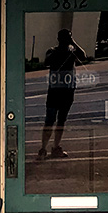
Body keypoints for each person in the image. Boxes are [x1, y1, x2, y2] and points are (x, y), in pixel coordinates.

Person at [38, 29, 88, 158]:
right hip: (55, 90)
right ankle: (43, 148)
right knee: (50, 119)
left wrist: (72, 43)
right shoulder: (53, 51)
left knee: (61, 120)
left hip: (67, 90)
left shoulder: (71, 52)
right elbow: (47, 62)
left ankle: (55, 147)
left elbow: (83, 56)